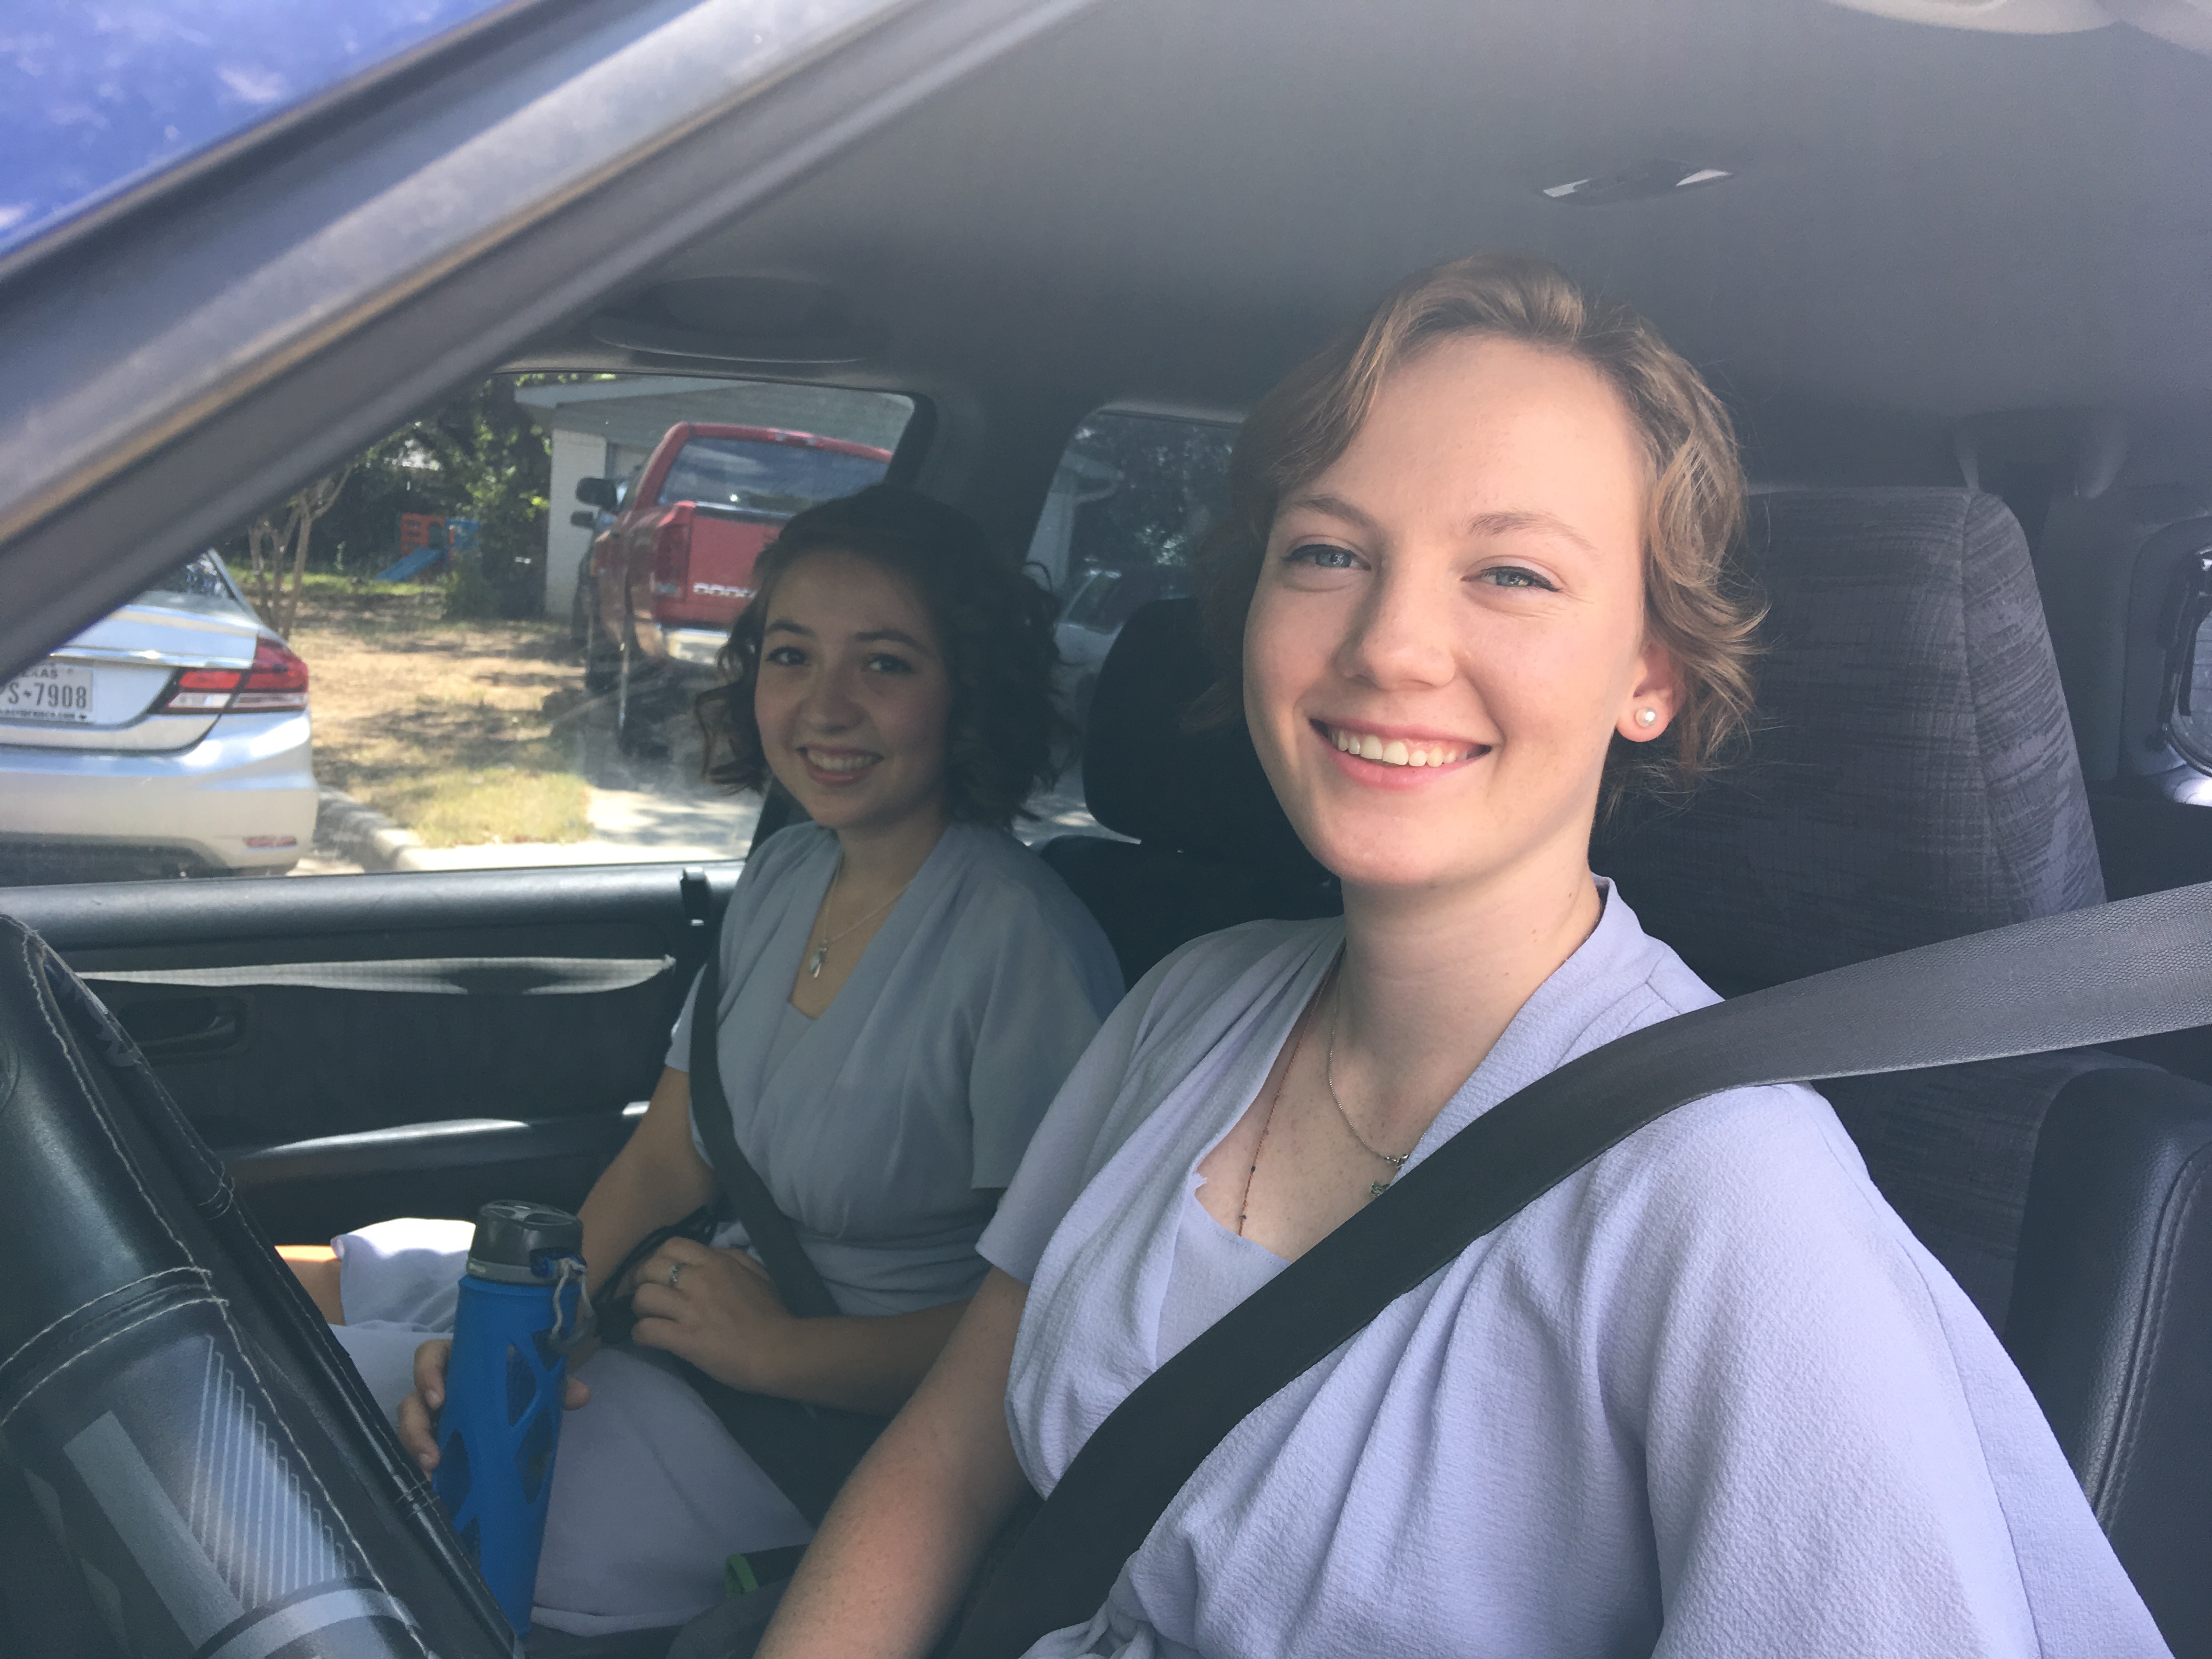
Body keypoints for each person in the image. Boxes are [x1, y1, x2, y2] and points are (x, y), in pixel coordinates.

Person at [754, 258, 2171, 1658]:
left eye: (1511, 572)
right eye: (1328, 553)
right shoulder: (1190, 1004)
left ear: (1652, 674)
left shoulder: (1733, 1196)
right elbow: (947, 1462)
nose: (1392, 647)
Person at [285, 486, 1123, 1638]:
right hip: (682, 1314)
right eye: (791, 656)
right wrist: (537, 1330)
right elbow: (668, 1160)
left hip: (819, 1437)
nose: (824, 706)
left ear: (966, 689)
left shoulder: (1024, 948)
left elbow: (1054, 1330)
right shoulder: (788, 874)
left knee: (298, 1415)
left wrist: (785, 1353)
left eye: (884, 664)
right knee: (304, 1305)